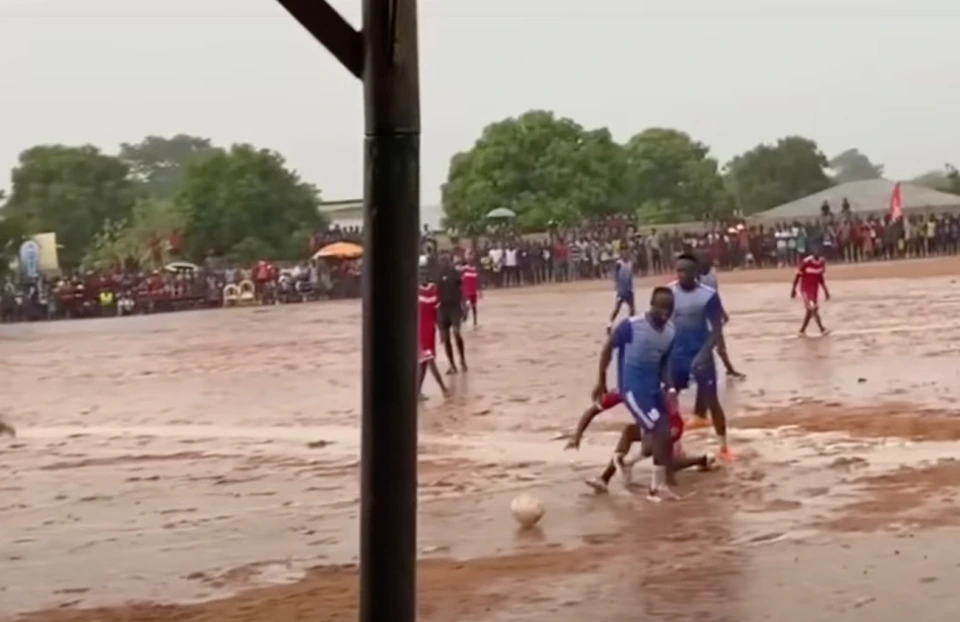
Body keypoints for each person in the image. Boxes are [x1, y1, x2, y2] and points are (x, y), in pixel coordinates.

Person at [591, 286, 680, 501]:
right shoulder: (630, 326)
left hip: (653, 389)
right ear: (651, 305)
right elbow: (607, 350)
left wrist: (670, 388)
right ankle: (655, 488)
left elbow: (664, 365)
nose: (665, 313)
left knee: (666, 432)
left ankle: (621, 464)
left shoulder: (671, 332)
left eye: (669, 309)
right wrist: (601, 382)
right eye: (661, 308)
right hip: (631, 388)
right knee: (659, 429)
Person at [670, 254, 733, 461]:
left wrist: (705, 353)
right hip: (676, 355)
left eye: (685, 271)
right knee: (670, 400)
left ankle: (724, 447)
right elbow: (662, 324)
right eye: (678, 270)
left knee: (712, 401)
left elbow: (716, 329)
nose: (681, 275)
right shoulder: (669, 292)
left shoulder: (708, 295)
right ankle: (676, 445)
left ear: (696, 273)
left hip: (701, 352)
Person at [697, 253, 746, 380]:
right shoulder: (695, 279)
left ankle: (729, 370)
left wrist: (722, 312)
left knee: (720, 344)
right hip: (700, 314)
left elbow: (715, 295)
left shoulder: (712, 275)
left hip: (712, 311)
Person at [418, 268, 449, 399]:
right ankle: (444, 388)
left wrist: (441, 330)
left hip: (431, 331)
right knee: (429, 360)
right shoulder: (414, 291)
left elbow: (437, 314)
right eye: (420, 275)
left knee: (424, 363)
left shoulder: (433, 291)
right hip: (419, 332)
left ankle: (417, 392)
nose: (423, 277)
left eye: (425, 274)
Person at [436, 253, 468, 373]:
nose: (443, 263)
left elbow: (462, 289)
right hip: (442, 308)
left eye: (445, 261)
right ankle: (452, 364)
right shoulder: (436, 275)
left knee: (456, 333)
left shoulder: (455, 273)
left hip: (454, 307)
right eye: (441, 261)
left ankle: (462, 360)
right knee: (445, 338)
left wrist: (464, 307)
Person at [791, 246, 831, 336]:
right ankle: (822, 329)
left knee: (810, 311)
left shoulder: (821, 262)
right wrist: (793, 289)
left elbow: (820, 278)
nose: (817, 252)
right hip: (805, 289)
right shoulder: (806, 262)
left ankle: (801, 330)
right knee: (813, 308)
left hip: (814, 290)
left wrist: (826, 291)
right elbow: (798, 275)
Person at [607, 247, 635, 332]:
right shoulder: (619, 263)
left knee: (632, 309)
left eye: (627, 252)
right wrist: (617, 287)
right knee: (617, 308)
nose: (625, 254)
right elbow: (615, 276)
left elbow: (630, 276)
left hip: (629, 290)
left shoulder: (630, 263)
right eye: (623, 252)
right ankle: (609, 324)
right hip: (622, 291)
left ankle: (630, 324)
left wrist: (631, 287)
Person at [460, 256, 480, 327]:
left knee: (474, 306)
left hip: (473, 292)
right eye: (469, 261)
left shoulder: (475, 269)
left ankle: (475, 321)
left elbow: (477, 281)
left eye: (472, 261)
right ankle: (464, 318)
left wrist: (479, 291)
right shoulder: (464, 269)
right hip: (466, 291)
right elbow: (460, 277)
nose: (471, 262)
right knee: (467, 306)